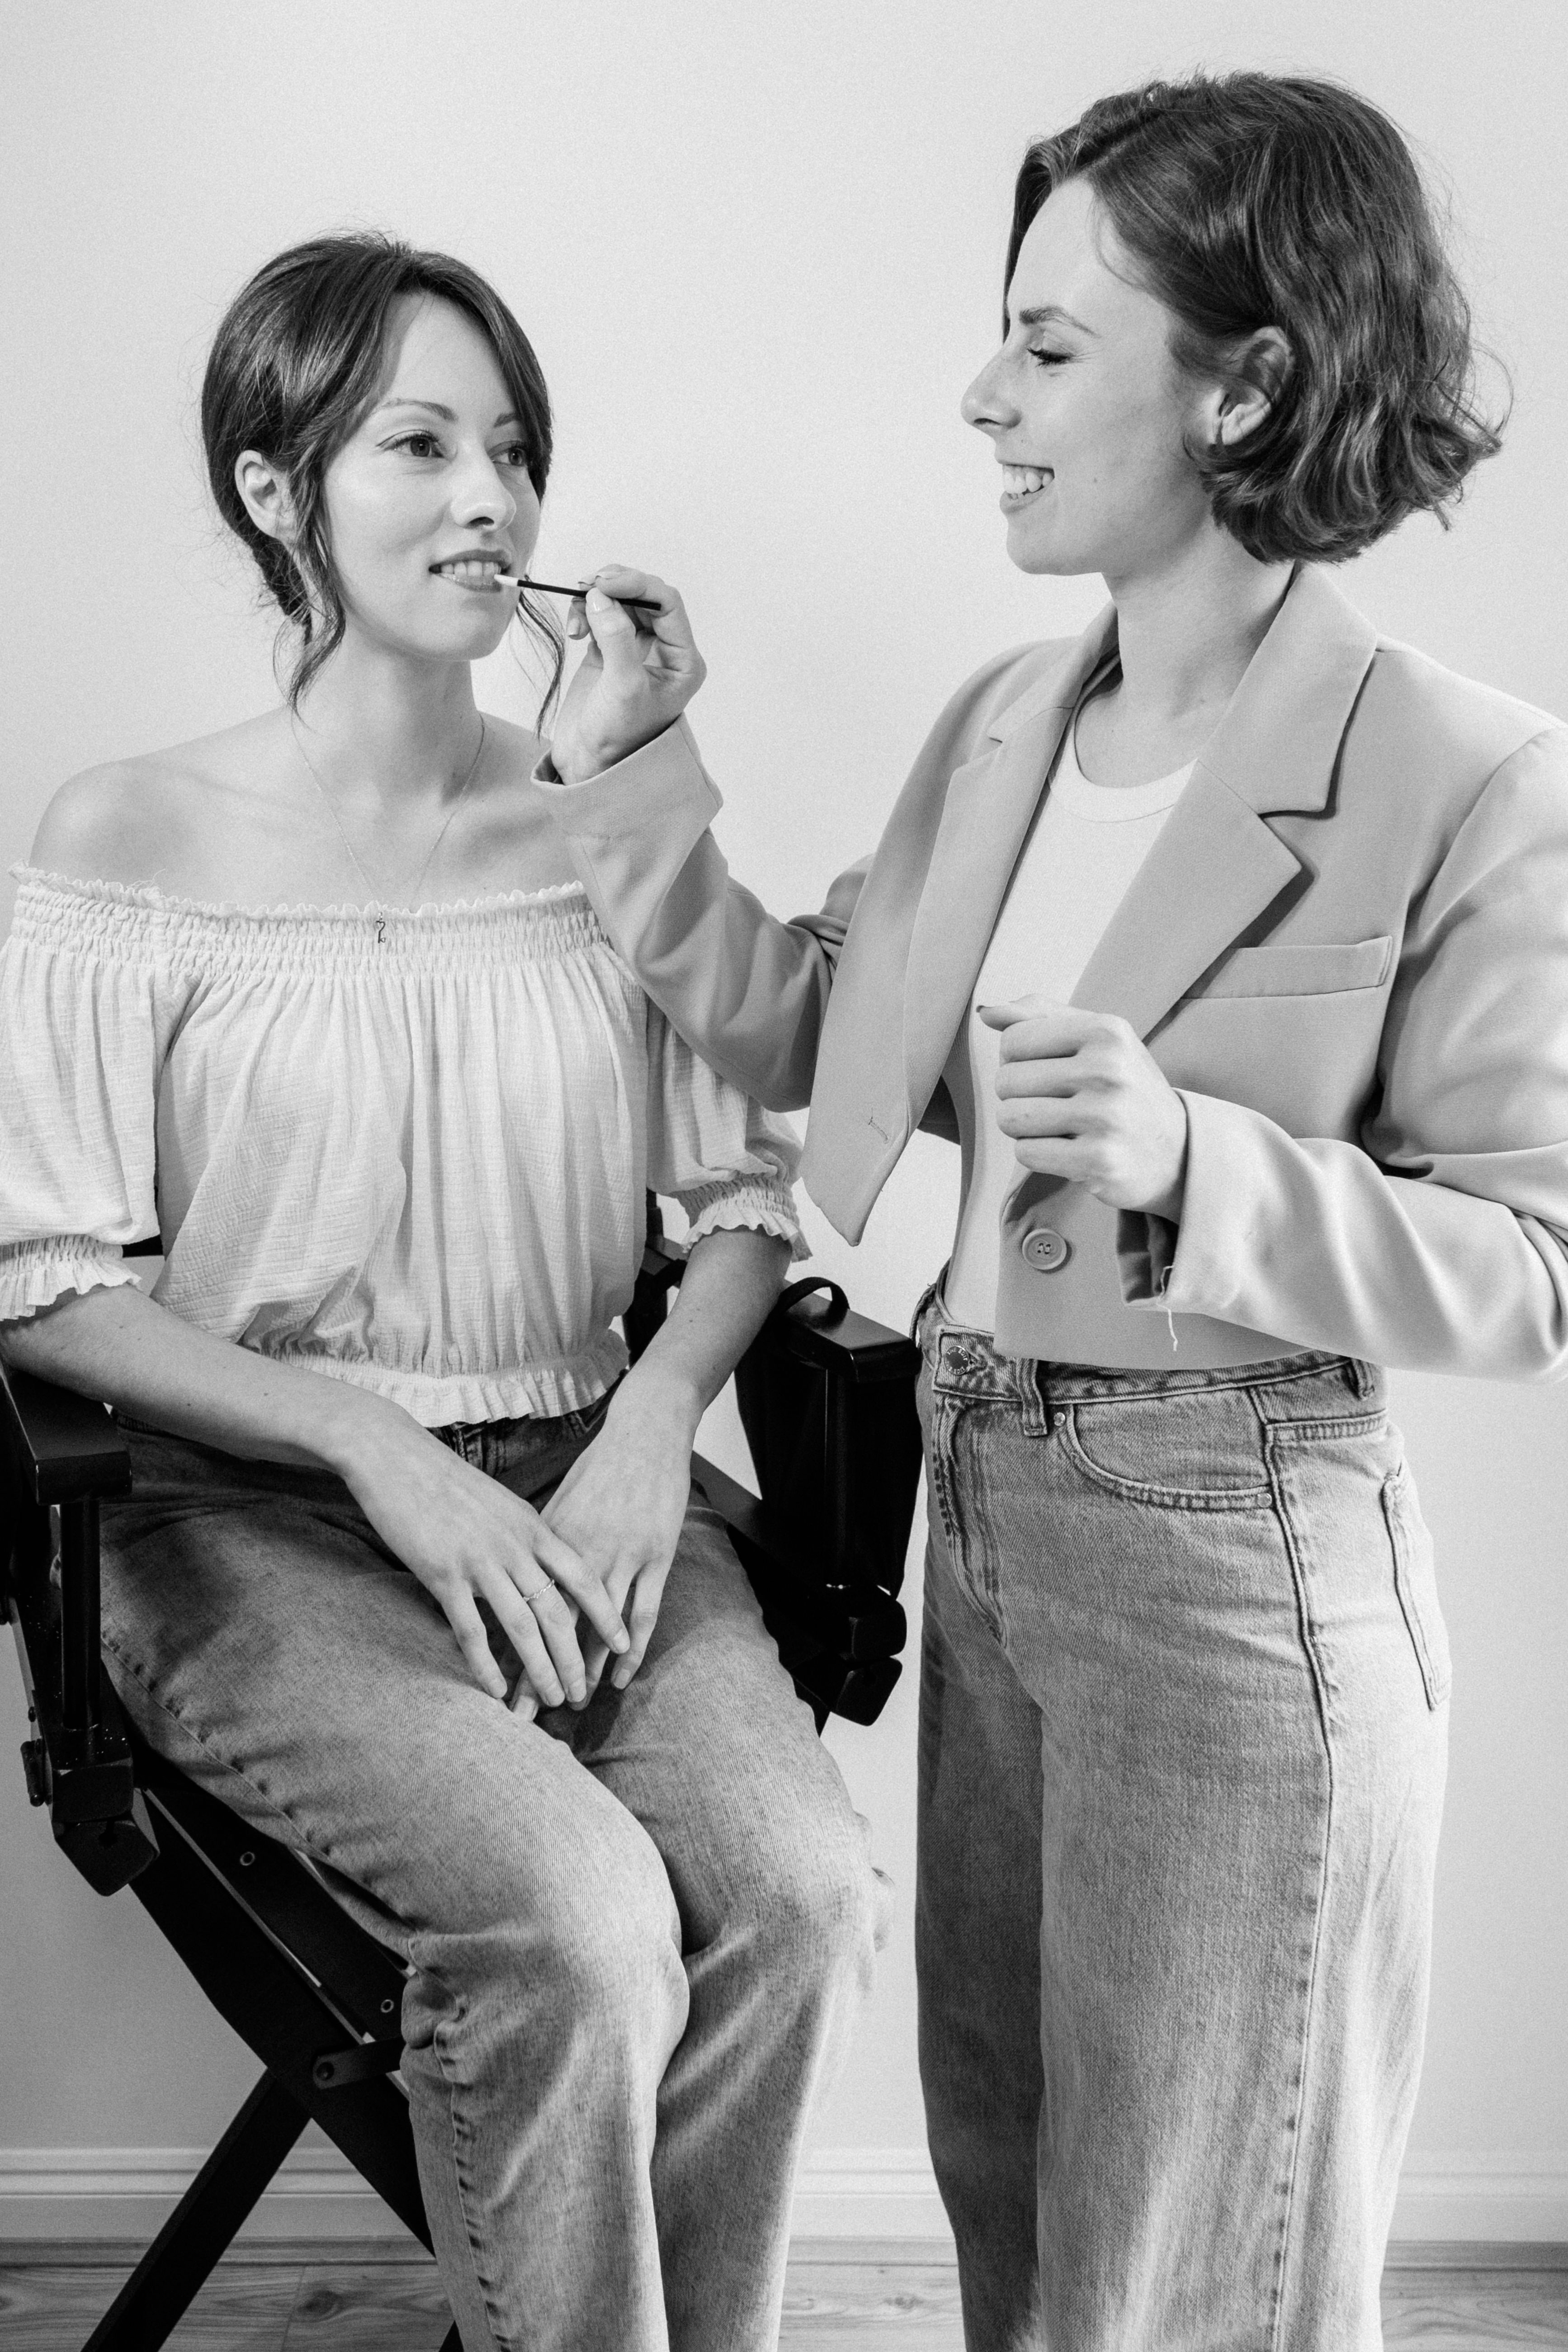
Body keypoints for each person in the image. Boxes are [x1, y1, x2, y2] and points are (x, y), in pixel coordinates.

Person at [527, 74, 1568, 2352]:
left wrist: (1208, 1165)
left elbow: (1531, 1263)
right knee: (1023, 2212)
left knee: (1193, 2274)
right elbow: (825, 1028)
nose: (983, 396)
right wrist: (626, 761)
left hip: (1240, 1557)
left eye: (1049, 343)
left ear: (1249, 379)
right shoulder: (1011, 714)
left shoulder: (1463, 768)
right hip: (984, 1504)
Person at [0, 233, 878, 2352]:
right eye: (417, 442)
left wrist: (654, 1427)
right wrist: (377, 1446)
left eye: (512, 449)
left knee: (798, 1896)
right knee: (578, 1924)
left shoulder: (605, 828)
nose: (491, 496)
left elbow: (751, 1192)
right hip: (245, 1522)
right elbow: (39, 1284)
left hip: (592, 1483)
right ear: (273, 489)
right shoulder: (128, 829)